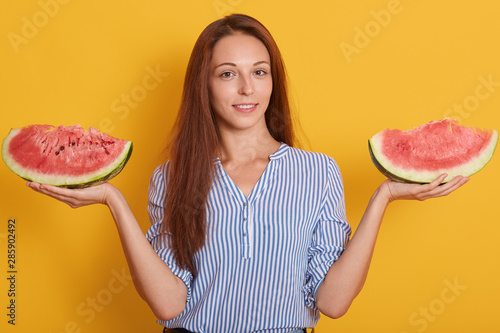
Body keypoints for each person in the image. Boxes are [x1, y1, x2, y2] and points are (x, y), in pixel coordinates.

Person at [27, 14, 469, 333]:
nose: (247, 88)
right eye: (227, 74)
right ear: (205, 84)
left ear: (272, 81)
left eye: (259, 72)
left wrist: (384, 196)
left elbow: (333, 304)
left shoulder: (317, 173)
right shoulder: (172, 177)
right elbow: (168, 304)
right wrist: (114, 202)